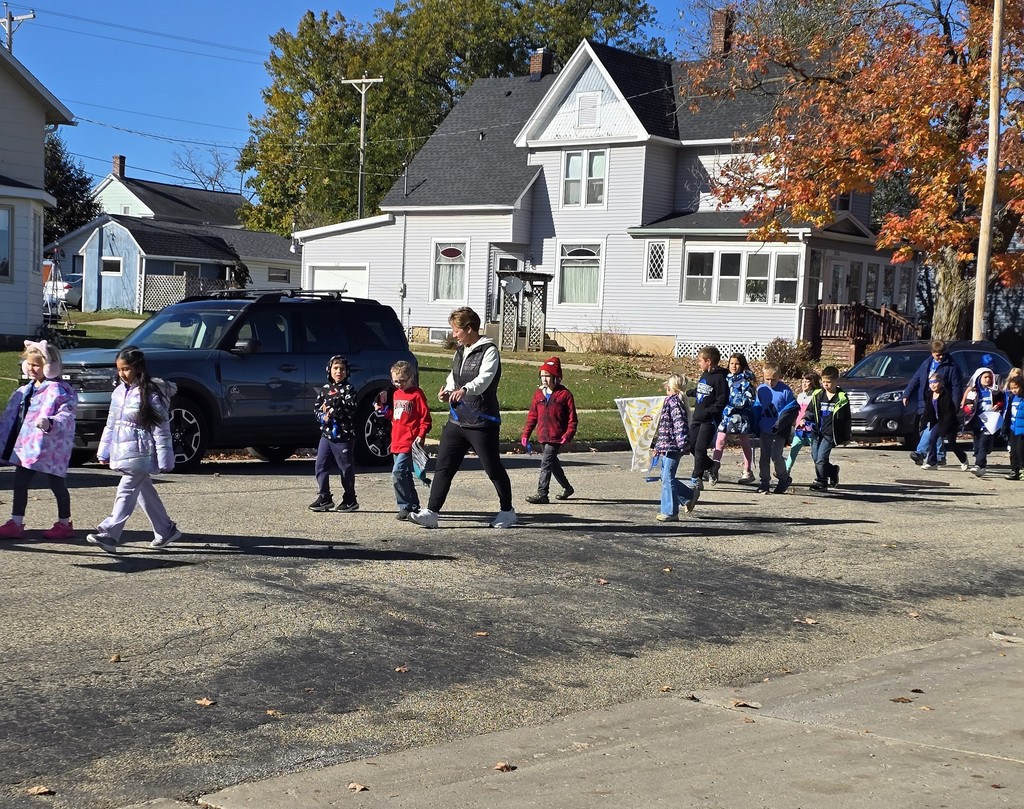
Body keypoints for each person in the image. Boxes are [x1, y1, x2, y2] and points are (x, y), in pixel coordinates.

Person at [410, 307, 516, 529]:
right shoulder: (460, 351)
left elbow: (484, 379)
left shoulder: (489, 351)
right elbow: (453, 377)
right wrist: (447, 392)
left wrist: (466, 389)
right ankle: (431, 513)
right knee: (444, 466)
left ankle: (507, 511)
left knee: (492, 468)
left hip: (481, 421)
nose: (454, 334)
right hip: (457, 419)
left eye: (456, 330)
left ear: (469, 328)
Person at [87, 346, 180, 553]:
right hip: (124, 451)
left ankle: (110, 533)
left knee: (126, 489)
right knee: (144, 491)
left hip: (142, 451)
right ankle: (165, 530)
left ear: (138, 368)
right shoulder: (119, 393)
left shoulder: (150, 393)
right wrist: (104, 450)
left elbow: (161, 428)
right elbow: (111, 424)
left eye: (126, 369)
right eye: (119, 369)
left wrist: (166, 458)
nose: (122, 373)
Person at [0, 340, 78, 541]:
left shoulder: (59, 390)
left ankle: (64, 522)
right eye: (29, 363)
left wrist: (50, 423)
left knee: (57, 484)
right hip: (28, 445)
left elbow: (66, 415)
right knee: (20, 482)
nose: (32, 368)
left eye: (37, 364)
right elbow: (12, 415)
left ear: (50, 366)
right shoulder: (25, 390)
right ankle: (16, 522)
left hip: (51, 446)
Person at [522, 356, 578, 504]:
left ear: (556, 377)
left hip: (557, 436)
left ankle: (542, 494)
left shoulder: (565, 395)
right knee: (553, 464)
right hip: (543, 435)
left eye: (547, 376)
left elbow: (573, 419)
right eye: (542, 376)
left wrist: (568, 434)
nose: (544, 379)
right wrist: (526, 434)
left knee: (545, 463)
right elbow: (532, 416)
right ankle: (567, 488)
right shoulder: (538, 394)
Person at [381, 360, 432, 520]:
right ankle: (413, 505)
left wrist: (421, 434)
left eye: (402, 381)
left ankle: (405, 505)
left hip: (410, 442)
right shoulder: (396, 394)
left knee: (397, 473)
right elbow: (397, 417)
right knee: (404, 475)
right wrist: (385, 412)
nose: (398, 384)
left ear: (411, 377)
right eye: (395, 381)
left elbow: (426, 419)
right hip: (397, 440)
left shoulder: (417, 395)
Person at [309, 355, 359, 512]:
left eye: (342, 369)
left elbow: (350, 410)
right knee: (320, 466)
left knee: (345, 467)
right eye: (335, 368)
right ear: (329, 371)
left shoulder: (349, 390)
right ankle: (324, 496)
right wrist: (323, 417)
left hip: (343, 437)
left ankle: (350, 499)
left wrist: (334, 409)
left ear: (347, 372)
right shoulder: (325, 390)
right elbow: (317, 409)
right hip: (327, 435)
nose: (339, 371)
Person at [903, 341, 964, 466]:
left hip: (943, 402)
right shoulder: (927, 363)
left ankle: (920, 452)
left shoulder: (952, 367)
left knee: (931, 426)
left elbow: (957, 388)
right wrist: (907, 394)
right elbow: (916, 379)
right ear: (932, 353)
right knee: (934, 428)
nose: (940, 357)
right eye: (938, 355)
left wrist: (955, 406)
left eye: (943, 354)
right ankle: (940, 456)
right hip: (927, 400)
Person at [652, 374, 699, 521]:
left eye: (668, 385)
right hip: (667, 445)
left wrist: (682, 444)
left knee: (668, 477)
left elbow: (680, 425)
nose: (666, 387)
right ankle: (688, 495)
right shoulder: (671, 401)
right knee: (664, 476)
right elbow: (665, 429)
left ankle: (670, 512)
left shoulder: (674, 402)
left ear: (673, 388)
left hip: (674, 446)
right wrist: (658, 447)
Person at [687, 346, 729, 492]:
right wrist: (690, 392)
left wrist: (709, 411)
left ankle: (696, 478)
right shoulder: (704, 375)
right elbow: (702, 391)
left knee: (700, 449)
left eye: (700, 360)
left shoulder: (720, 378)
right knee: (691, 445)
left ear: (708, 361)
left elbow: (721, 401)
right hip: (697, 418)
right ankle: (711, 465)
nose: (698, 363)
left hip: (709, 420)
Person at [709, 353, 756, 485]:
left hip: (741, 416)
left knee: (744, 442)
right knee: (720, 440)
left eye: (737, 363)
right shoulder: (725, 378)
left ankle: (747, 471)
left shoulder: (745, 381)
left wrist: (735, 403)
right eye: (731, 363)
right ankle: (714, 469)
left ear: (742, 365)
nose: (734, 366)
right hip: (726, 415)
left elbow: (751, 399)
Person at [754, 364, 796, 494]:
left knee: (776, 456)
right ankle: (764, 481)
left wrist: (784, 422)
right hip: (764, 427)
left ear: (779, 377)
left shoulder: (785, 391)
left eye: (773, 379)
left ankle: (783, 478)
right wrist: (755, 423)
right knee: (764, 457)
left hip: (779, 430)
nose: (770, 382)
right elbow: (757, 406)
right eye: (767, 379)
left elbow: (791, 408)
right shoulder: (761, 389)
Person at [808, 366, 852, 492]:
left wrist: (846, 436)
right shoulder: (818, 395)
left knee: (821, 458)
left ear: (836, 381)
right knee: (816, 458)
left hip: (829, 434)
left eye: (829, 382)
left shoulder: (841, 398)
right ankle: (832, 470)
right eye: (824, 382)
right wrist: (804, 419)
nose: (826, 385)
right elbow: (810, 411)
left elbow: (847, 419)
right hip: (816, 432)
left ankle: (821, 481)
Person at [918, 374, 970, 471]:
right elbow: (928, 411)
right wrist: (923, 423)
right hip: (938, 421)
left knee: (952, 444)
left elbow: (949, 414)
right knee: (932, 438)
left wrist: (943, 430)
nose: (933, 385)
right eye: (930, 382)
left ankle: (963, 459)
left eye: (935, 382)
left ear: (941, 383)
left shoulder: (946, 396)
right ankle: (932, 463)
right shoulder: (930, 395)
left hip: (949, 423)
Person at [960, 366, 1004, 477]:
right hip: (977, 422)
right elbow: (966, 405)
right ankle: (979, 461)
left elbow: (1002, 401)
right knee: (978, 444)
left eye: (990, 377)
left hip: (990, 422)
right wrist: (967, 408)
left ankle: (980, 465)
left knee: (984, 443)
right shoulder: (973, 391)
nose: (988, 380)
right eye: (985, 377)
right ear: (979, 378)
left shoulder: (995, 391)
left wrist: (998, 405)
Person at [785, 371, 821, 476]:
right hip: (799, 429)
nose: (804, 384)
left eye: (807, 381)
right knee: (793, 451)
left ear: (813, 383)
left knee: (816, 456)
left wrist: (806, 419)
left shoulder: (817, 395)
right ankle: (785, 473)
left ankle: (822, 475)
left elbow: (814, 412)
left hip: (812, 430)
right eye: (803, 381)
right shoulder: (800, 396)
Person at [1002, 375, 1024, 481]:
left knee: (1021, 450)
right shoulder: (1012, 398)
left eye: (1016, 387)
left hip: (1022, 429)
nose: (1014, 390)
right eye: (1012, 388)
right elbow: (1008, 413)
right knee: (1013, 451)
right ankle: (1014, 470)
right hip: (1013, 428)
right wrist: (1005, 427)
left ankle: (1022, 469)